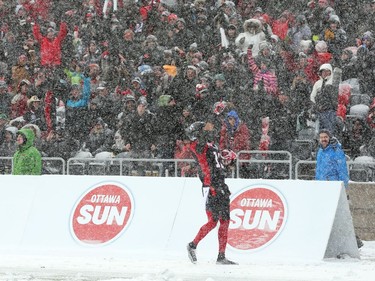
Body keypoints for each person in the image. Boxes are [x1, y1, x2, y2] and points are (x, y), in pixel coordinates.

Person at [186, 120, 237, 265]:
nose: (210, 128)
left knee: (225, 221)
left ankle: (221, 256)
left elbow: (215, 163)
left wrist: (226, 161)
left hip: (220, 184)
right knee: (213, 220)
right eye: (205, 128)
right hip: (212, 186)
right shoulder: (197, 146)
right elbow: (208, 166)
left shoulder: (210, 145)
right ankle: (192, 245)